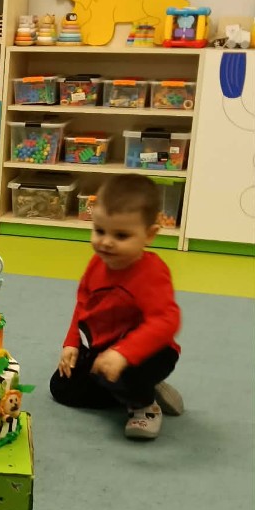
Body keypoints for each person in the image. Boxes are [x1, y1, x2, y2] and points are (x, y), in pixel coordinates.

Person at [50, 173, 184, 440]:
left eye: (121, 235)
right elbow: (83, 306)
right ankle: (140, 388)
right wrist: (72, 343)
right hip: (104, 348)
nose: (106, 242)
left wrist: (124, 353)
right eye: (100, 231)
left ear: (149, 235)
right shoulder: (97, 264)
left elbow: (167, 321)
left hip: (150, 352)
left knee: (122, 375)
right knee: (62, 387)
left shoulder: (151, 273)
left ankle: (145, 405)